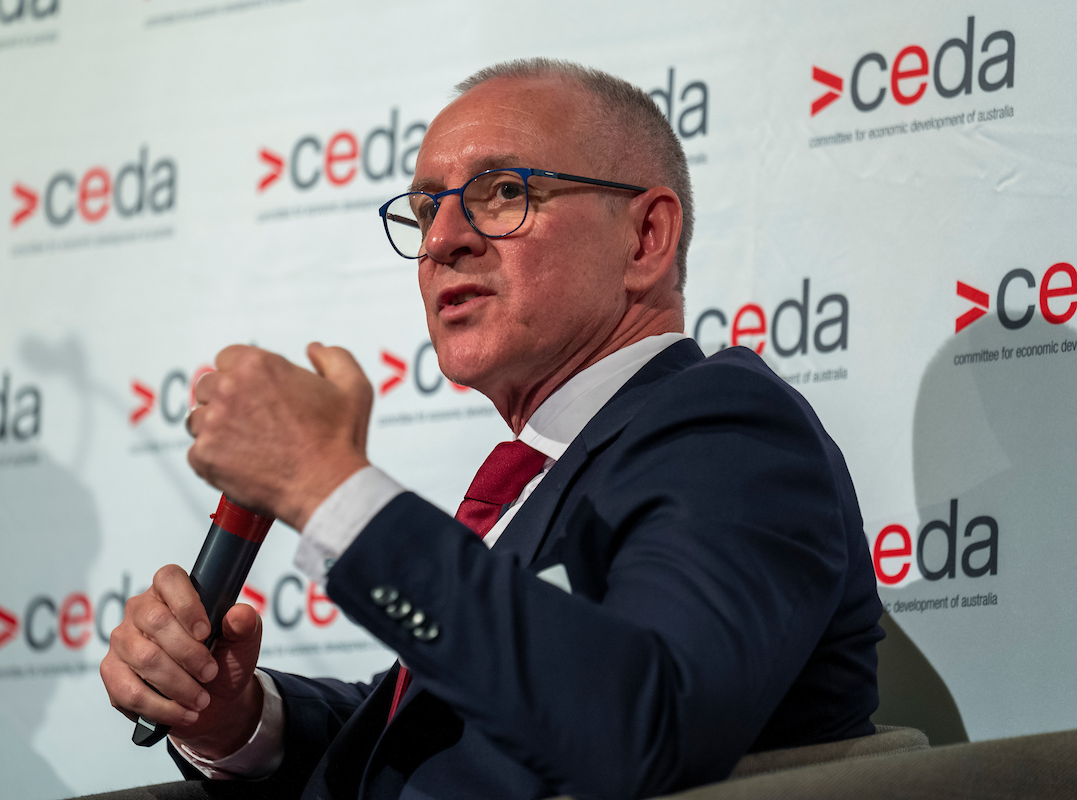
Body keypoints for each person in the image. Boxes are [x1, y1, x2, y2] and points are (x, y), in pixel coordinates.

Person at [99, 59, 884, 800]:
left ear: (645, 238)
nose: (442, 240)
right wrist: (240, 720)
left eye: (504, 192)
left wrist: (327, 486)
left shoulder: (729, 429)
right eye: (425, 210)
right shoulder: (542, 471)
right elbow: (451, 738)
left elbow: (647, 724)